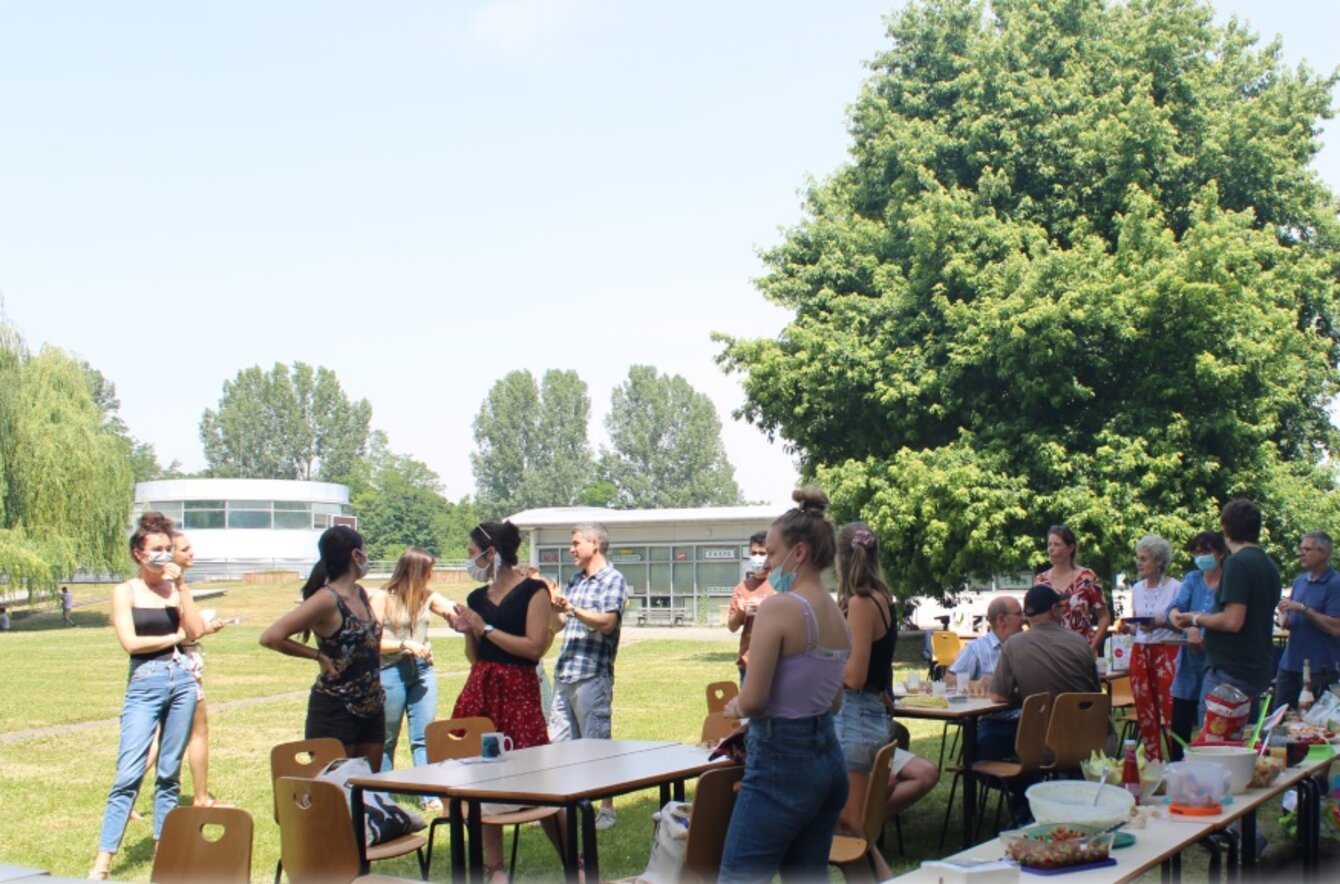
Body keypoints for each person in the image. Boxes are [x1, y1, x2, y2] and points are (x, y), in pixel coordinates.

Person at [719, 488, 850, 884]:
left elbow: (755, 700)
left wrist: (735, 706)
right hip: (829, 761)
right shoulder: (838, 615)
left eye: (773, 554)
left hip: (781, 762)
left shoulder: (779, 607)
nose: (767, 564)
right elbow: (834, 703)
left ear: (800, 553)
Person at [89, 512, 206, 880]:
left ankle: (163, 852)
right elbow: (131, 643)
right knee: (128, 773)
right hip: (145, 680)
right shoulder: (126, 592)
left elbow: (196, 631)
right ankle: (104, 860)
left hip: (182, 680)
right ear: (138, 553)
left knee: (169, 772)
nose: (164, 555)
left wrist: (182, 586)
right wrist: (174, 638)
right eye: (156, 549)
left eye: (168, 548)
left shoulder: (175, 588)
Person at [447, 522, 563, 882]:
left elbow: (532, 648)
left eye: (472, 553)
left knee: (537, 779)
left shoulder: (533, 591)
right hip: (482, 690)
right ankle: (495, 868)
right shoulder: (476, 599)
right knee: (482, 777)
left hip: (519, 692)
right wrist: (469, 631)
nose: (469, 560)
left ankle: (574, 861)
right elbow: (475, 656)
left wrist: (485, 628)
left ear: (491, 552)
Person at [831, 522, 935, 878]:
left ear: (840, 558)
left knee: (851, 831)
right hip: (867, 716)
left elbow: (855, 677)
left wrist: (816, 667)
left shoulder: (860, 603)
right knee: (853, 830)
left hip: (854, 719)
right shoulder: (880, 598)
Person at [260, 526, 385, 769]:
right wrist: (318, 656)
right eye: (364, 551)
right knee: (337, 787)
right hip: (336, 708)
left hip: (372, 706)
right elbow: (271, 637)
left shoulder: (360, 593)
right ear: (355, 555)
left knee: (368, 785)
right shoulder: (327, 599)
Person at [988, 584, 1101, 826]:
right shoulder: (1080, 641)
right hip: (1091, 741)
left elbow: (997, 696)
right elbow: (1095, 691)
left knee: (990, 737)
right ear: (1054, 610)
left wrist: (1026, 694)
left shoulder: (1014, 645)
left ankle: (1023, 808)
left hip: (1043, 748)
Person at [136, 531, 230, 815]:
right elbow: (182, 632)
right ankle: (200, 797)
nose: (191, 554)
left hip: (171, 663)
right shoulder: (170, 588)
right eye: (184, 549)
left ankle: (129, 794)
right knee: (197, 732)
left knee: (160, 736)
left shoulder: (163, 587)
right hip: (181, 664)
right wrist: (203, 629)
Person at [1171, 499, 1281, 727]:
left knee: (1217, 740)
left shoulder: (1237, 564)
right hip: (1256, 668)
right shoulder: (1269, 565)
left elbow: (1233, 621)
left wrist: (1195, 618)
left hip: (1230, 670)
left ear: (1226, 528)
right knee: (1245, 739)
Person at [550, 521, 628, 831]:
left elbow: (607, 623)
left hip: (592, 674)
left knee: (597, 745)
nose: (571, 549)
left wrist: (572, 608)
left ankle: (606, 809)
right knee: (560, 744)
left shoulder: (613, 579)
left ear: (594, 544)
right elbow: (560, 624)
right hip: (565, 673)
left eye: (576, 543)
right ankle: (566, 806)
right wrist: (555, 606)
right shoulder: (575, 580)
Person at [368, 547, 454, 803]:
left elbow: (452, 609)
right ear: (415, 571)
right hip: (390, 670)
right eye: (429, 570)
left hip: (422, 670)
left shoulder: (427, 596)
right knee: (387, 738)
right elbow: (370, 642)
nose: (431, 575)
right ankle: (383, 797)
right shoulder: (383, 597)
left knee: (424, 736)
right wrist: (404, 644)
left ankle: (429, 796)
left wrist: (461, 617)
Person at [1120, 535, 1181, 761]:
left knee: (1171, 708)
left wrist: (1161, 623)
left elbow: (1182, 626)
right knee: (1145, 709)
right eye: (1138, 558)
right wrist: (1129, 628)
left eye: (1144, 559)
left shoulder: (1176, 588)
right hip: (1141, 651)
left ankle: (1178, 761)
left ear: (1159, 561)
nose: (1139, 563)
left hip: (1166, 651)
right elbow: (1140, 627)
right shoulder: (1137, 588)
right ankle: (1153, 760)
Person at [1165, 532, 1226, 759]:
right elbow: (1174, 611)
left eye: (1206, 551)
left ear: (1220, 553)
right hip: (1188, 665)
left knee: (1211, 727)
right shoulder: (1192, 579)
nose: (1201, 557)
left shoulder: (1229, 581)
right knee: (1180, 728)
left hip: (1216, 662)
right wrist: (1188, 627)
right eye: (1197, 552)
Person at [947, 595, 1026, 762]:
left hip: (1027, 720)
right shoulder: (977, 648)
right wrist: (976, 685)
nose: (1024, 619)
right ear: (1002, 619)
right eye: (1019, 614)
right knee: (989, 743)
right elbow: (950, 678)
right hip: (996, 721)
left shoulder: (1026, 645)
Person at [1272, 531, 1340, 711]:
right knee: (1280, 717)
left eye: (1307, 549)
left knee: (1313, 721)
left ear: (1323, 553)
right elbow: (1293, 620)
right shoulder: (1299, 581)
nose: (1301, 553)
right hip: (1290, 664)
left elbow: (1335, 627)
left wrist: (1303, 609)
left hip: (1320, 668)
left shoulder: (1335, 584)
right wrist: (1284, 617)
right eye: (1301, 549)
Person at [1037, 525, 1110, 657]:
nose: (1051, 549)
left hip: (1080, 652)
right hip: (1049, 653)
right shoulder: (1041, 581)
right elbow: (1035, 619)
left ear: (1070, 548)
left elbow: (1104, 616)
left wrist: (1093, 647)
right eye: (1049, 544)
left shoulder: (1087, 578)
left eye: (1057, 544)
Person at [726, 530, 772, 683]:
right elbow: (732, 627)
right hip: (748, 664)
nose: (757, 557)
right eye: (754, 553)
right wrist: (740, 611)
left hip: (775, 664)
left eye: (762, 553)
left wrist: (766, 606)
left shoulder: (781, 584)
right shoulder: (742, 587)